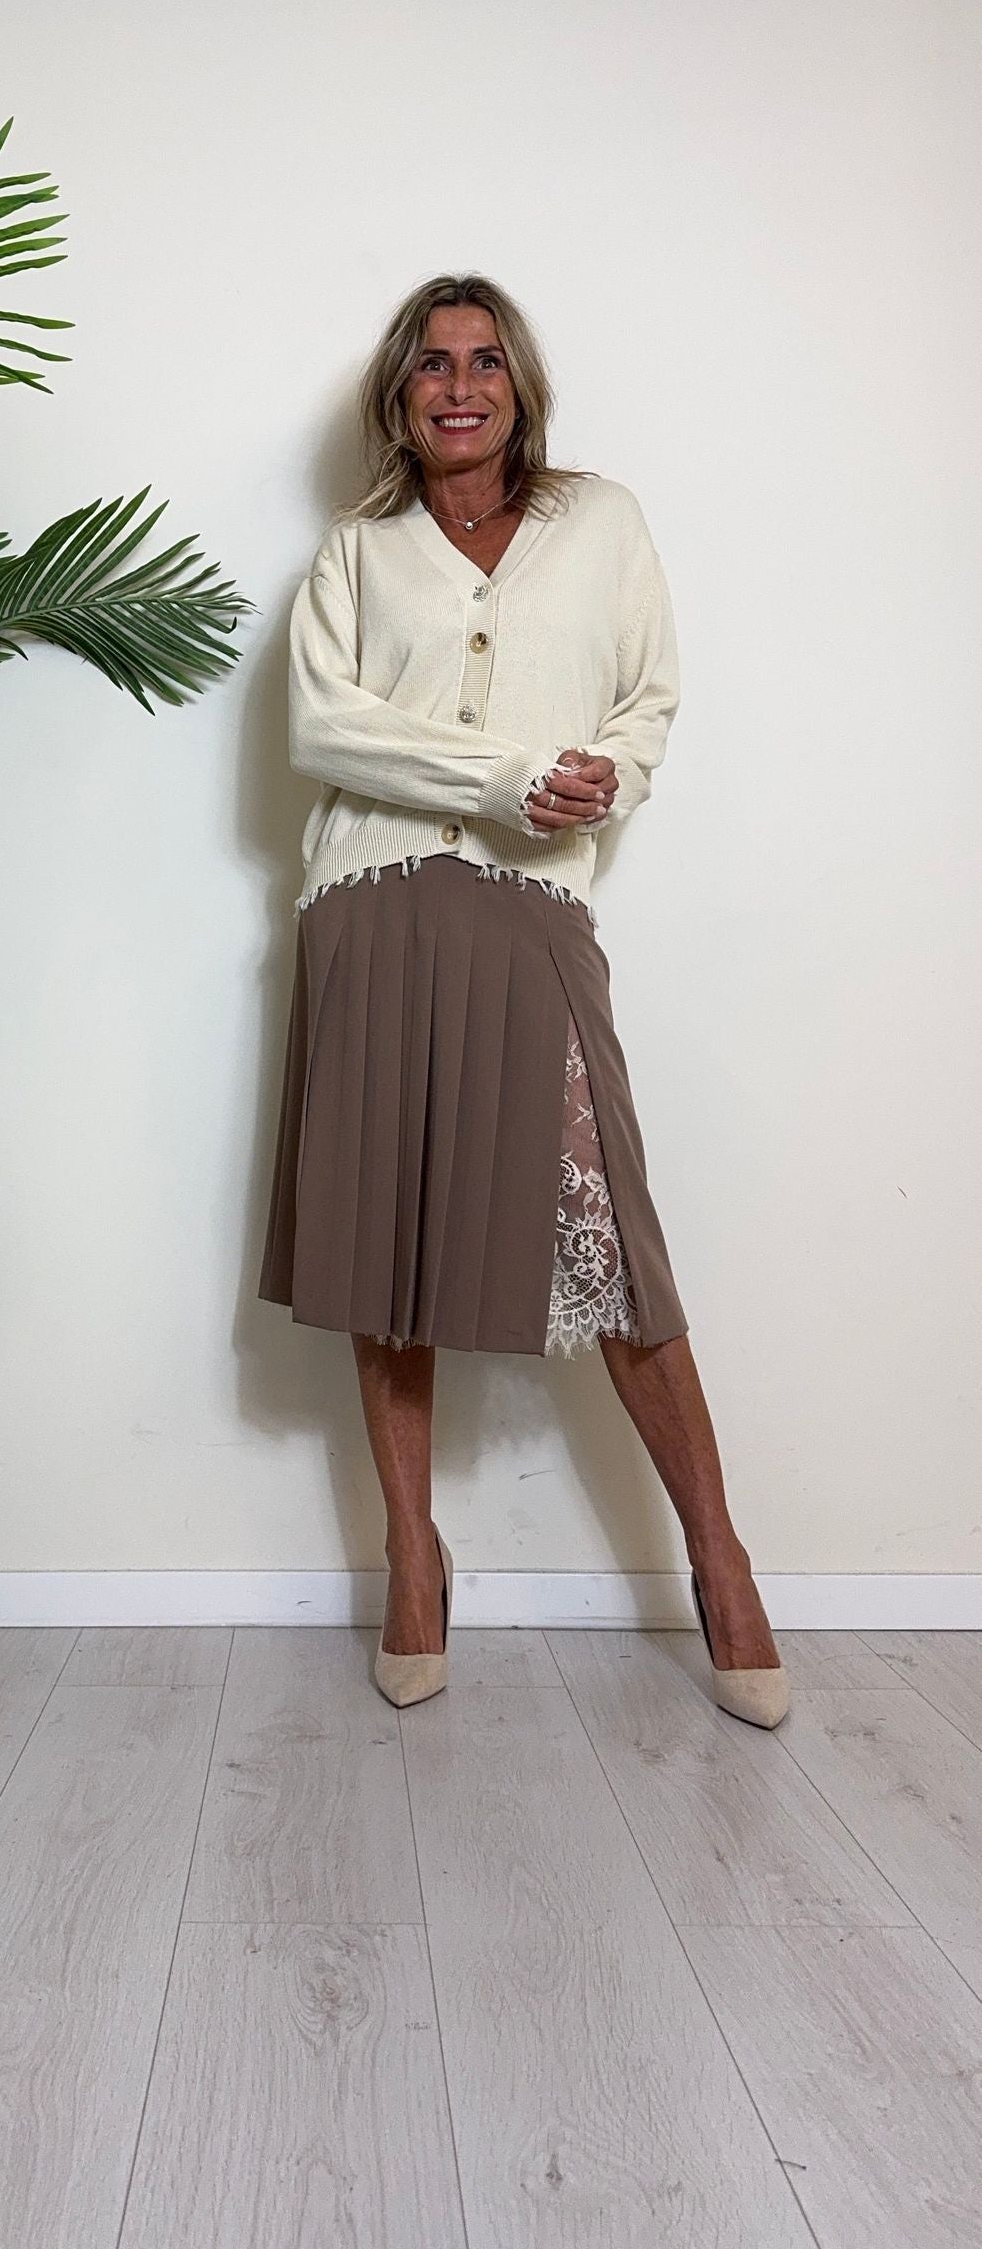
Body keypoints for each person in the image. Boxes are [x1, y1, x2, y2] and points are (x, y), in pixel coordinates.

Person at [258, 274, 787, 1727]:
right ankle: (412, 1559)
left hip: (532, 907)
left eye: (486, 361)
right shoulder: (356, 551)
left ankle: (721, 1559)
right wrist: (501, 775)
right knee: (388, 1246)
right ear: (399, 394)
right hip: (371, 902)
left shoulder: (599, 522)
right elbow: (323, 728)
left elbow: (647, 700)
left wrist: (613, 775)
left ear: (520, 386)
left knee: (608, 1228)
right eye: (432, 364)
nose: (460, 386)